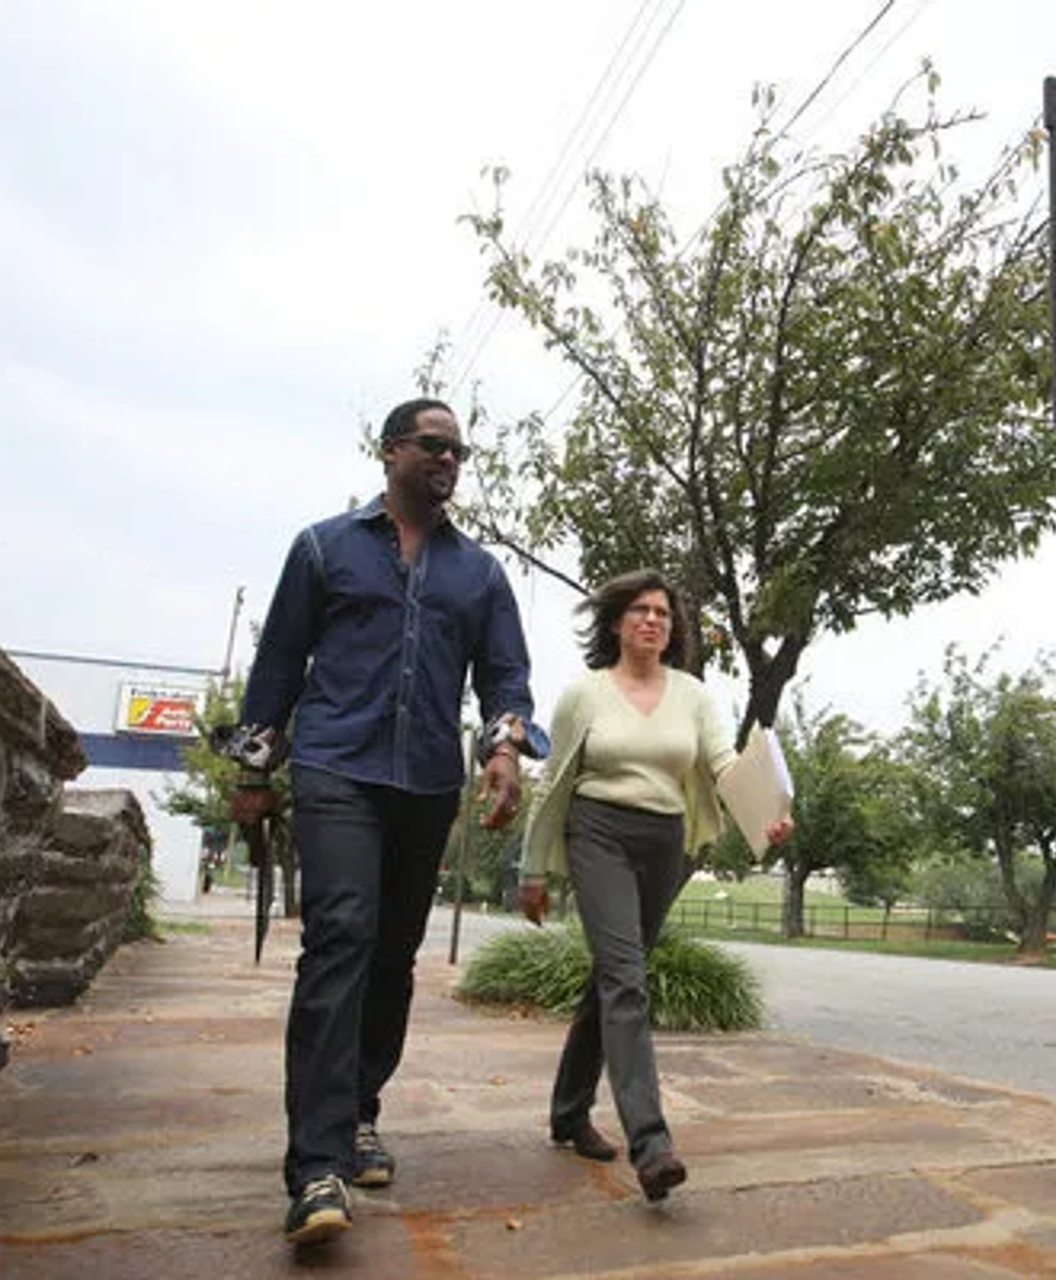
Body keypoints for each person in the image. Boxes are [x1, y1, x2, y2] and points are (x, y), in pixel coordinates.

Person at [233, 396, 537, 1245]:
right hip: (335, 765)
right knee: (342, 937)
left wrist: (505, 754)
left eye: (460, 451)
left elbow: (506, 682)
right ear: (392, 450)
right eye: (434, 446)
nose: (449, 461)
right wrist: (254, 773)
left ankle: (360, 1107)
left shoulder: (478, 574)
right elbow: (278, 664)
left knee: (394, 954)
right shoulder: (323, 547)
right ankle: (317, 1166)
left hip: (427, 780)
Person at [517, 569, 793, 1204]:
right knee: (626, 980)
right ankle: (651, 1143)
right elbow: (552, 782)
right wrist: (532, 871)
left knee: (616, 976)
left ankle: (567, 1110)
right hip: (599, 833)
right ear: (615, 623)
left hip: (663, 840)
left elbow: (723, 767)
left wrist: (766, 812)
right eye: (639, 610)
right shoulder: (584, 694)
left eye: (663, 614)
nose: (652, 620)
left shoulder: (694, 696)